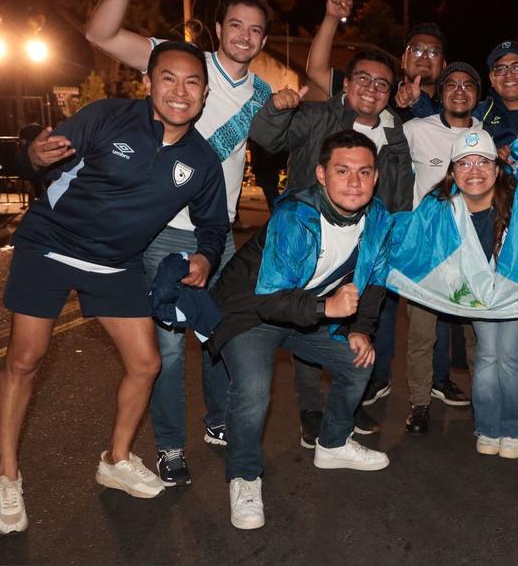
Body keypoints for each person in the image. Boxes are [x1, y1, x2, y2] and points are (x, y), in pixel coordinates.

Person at [0, 41, 230, 535]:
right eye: (168, 78)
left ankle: (115, 460)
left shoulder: (203, 163)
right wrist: (31, 155)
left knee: (146, 363)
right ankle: (7, 474)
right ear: (148, 82)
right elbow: (38, 159)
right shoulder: (106, 116)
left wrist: (205, 255)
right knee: (25, 359)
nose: (179, 91)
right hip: (51, 245)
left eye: (192, 83)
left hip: (116, 263)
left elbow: (213, 226)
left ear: (205, 95)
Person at [85, 0, 274, 486]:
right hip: (161, 234)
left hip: (220, 233)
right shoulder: (184, 64)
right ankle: (169, 445)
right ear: (217, 28)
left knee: (217, 334)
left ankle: (217, 423)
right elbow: (100, 33)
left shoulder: (260, 92)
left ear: (262, 40)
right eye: (235, 24)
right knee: (166, 347)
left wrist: (285, 105)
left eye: (255, 30)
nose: (244, 35)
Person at [207, 129, 393, 530]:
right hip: (251, 312)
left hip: (303, 312)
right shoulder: (295, 215)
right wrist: (327, 307)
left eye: (364, 172)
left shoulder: (379, 217)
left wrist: (360, 327)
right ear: (322, 174)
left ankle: (333, 443)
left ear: (376, 177)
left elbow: (375, 282)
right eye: (343, 171)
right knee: (254, 390)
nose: (355, 182)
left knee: (358, 361)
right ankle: (244, 476)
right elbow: (269, 298)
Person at [250, 49, 413, 442]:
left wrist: (392, 238)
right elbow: (265, 135)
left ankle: (347, 406)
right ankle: (310, 408)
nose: (371, 89)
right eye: (362, 78)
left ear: (390, 92)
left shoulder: (395, 132)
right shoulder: (319, 114)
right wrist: (276, 107)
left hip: (366, 241)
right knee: (310, 316)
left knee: (352, 324)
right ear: (347, 82)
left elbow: (400, 191)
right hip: (309, 239)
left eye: (382, 83)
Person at [431, 130, 518, 457]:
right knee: (488, 353)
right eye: (464, 163)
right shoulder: (443, 207)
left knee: (510, 352)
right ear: (453, 170)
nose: (474, 170)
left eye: (482, 162)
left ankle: (516, 428)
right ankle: (488, 426)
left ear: (496, 168)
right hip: (477, 294)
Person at [400, 62, 485, 434]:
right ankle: (419, 404)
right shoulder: (417, 129)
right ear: (442, 92)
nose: (460, 91)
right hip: (426, 254)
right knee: (421, 335)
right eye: (452, 84)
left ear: (477, 95)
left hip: (472, 254)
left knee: (477, 335)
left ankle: (485, 402)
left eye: (468, 85)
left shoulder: (485, 136)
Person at [306, 0, 447, 125]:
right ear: (403, 60)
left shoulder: (454, 103)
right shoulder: (377, 91)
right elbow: (316, 71)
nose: (424, 56)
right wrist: (332, 18)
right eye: (416, 50)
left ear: (444, 65)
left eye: (434, 52)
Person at [479, 41, 518, 158]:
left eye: (517, 67)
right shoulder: (479, 116)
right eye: (500, 70)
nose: (509, 75)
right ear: (492, 78)